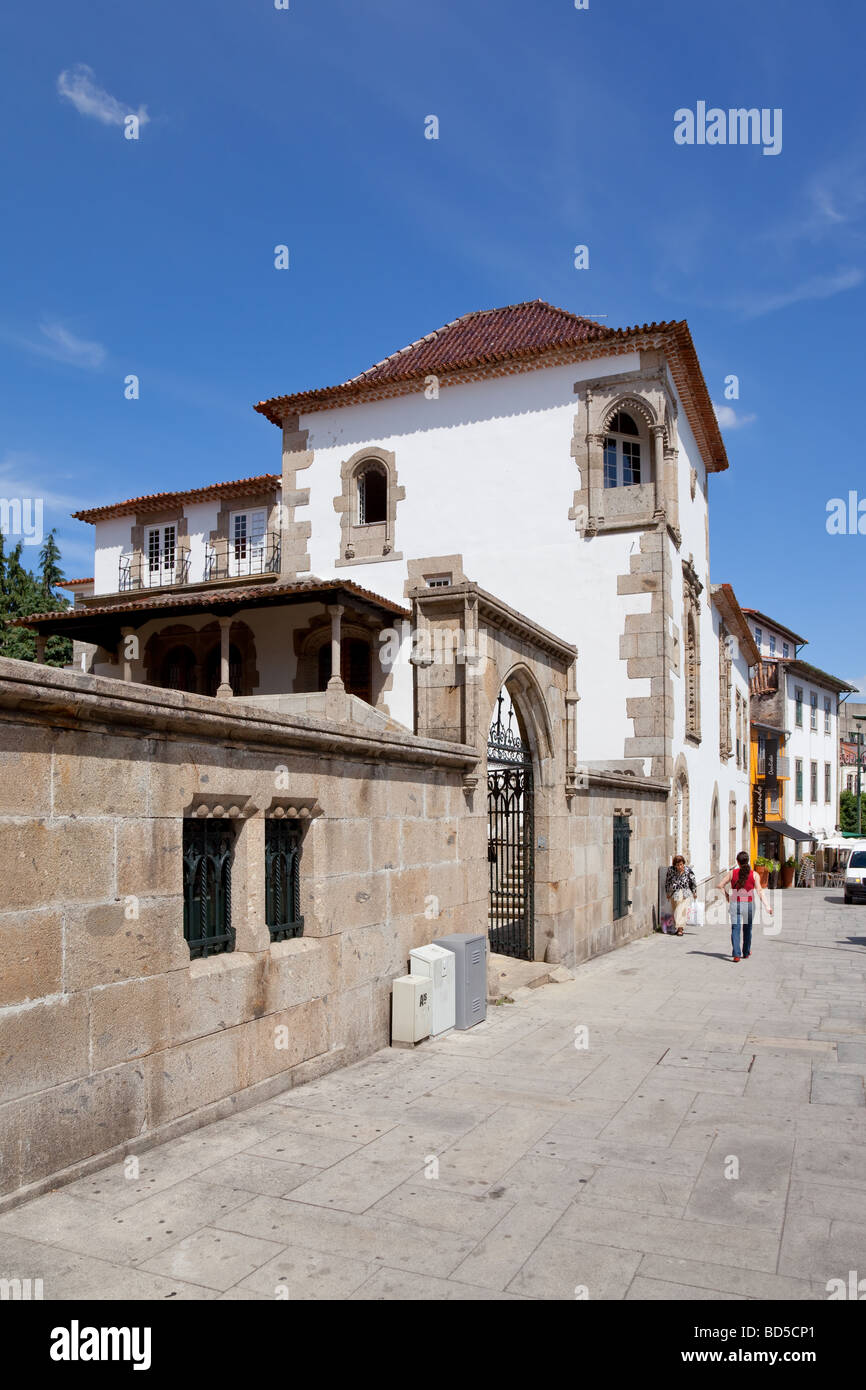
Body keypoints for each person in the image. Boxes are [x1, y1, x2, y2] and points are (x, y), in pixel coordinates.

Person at [717, 851, 773, 962]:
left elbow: (720, 885)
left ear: (737, 862)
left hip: (735, 904)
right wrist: (767, 906)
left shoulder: (733, 873)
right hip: (748, 904)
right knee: (747, 929)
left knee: (735, 929)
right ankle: (746, 952)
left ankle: (736, 954)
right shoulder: (754, 874)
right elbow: (760, 891)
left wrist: (727, 896)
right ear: (747, 861)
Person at [664, 854, 697, 935]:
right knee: (676, 909)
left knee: (682, 909)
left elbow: (693, 881)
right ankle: (679, 927)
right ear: (675, 865)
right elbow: (667, 881)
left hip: (685, 892)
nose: (679, 866)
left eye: (681, 864)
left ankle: (680, 928)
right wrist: (668, 892)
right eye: (677, 865)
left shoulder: (688, 870)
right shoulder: (671, 870)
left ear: (683, 864)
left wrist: (694, 892)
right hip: (675, 892)